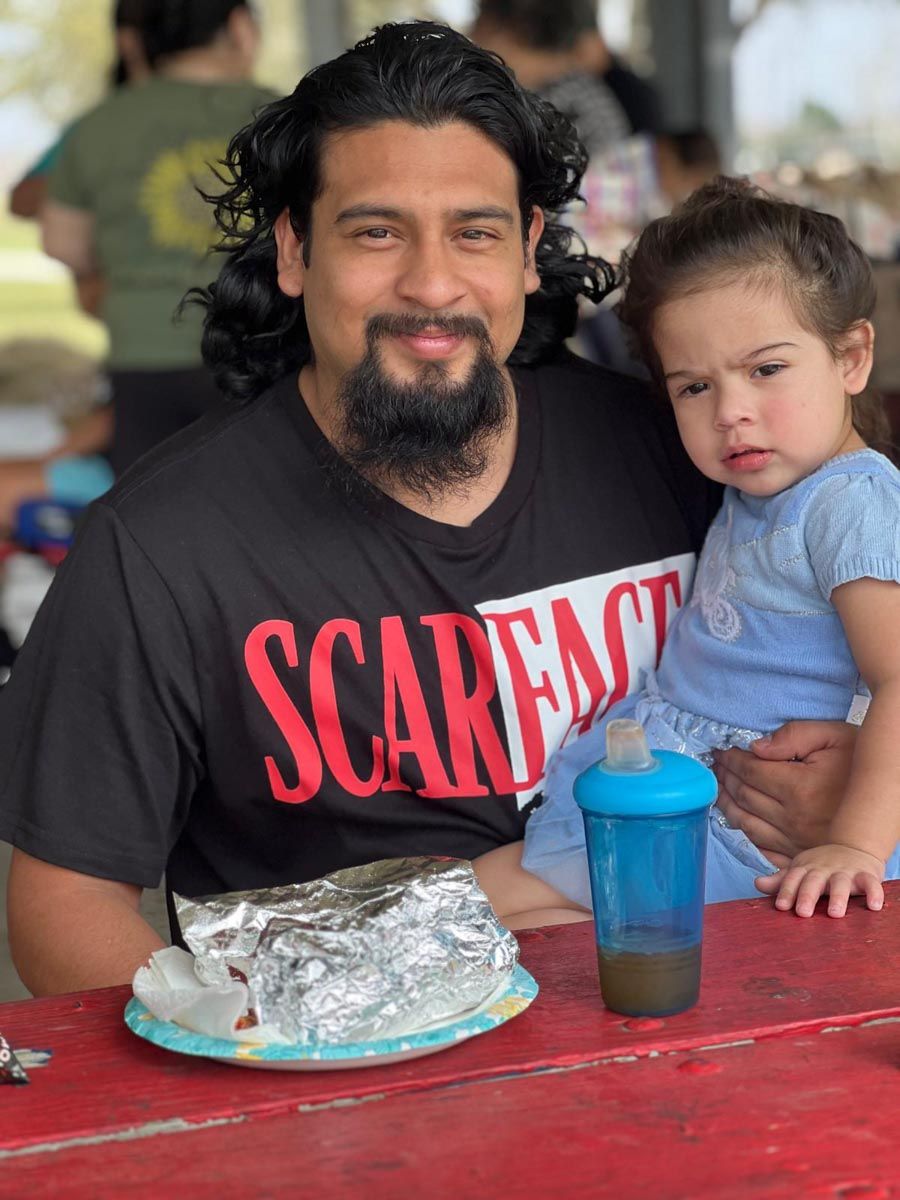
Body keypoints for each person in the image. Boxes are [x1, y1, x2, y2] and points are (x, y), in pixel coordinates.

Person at [0, 24, 859, 997]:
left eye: (475, 232)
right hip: (359, 1100)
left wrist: (861, 787)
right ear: (293, 251)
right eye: (376, 232)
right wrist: (233, 1035)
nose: (433, 284)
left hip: (716, 1024)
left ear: (531, 250)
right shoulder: (160, 548)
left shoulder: (686, 444)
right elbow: (64, 902)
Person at [519, 177, 900, 920]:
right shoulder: (766, 488)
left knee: (503, 904)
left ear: (851, 357)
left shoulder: (852, 502)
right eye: (694, 387)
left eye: (766, 370)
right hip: (688, 789)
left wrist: (854, 847)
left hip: (753, 831)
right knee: (522, 916)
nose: (732, 413)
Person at [40, 0, 276, 474]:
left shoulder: (98, 126)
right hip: (262, 343)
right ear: (237, 24)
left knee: (146, 504)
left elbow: (60, 242)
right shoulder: (283, 115)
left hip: (141, 350)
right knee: (262, 497)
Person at [471, 0, 630, 156]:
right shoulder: (578, 87)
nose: (473, 34)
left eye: (481, 21)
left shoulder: (570, 99)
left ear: (515, 29)